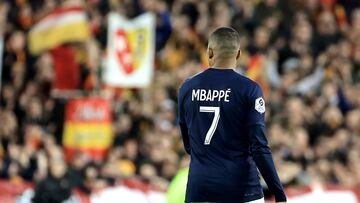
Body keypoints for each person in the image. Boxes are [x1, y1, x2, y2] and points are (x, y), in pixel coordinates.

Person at [178, 27, 287, 203]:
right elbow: (259, 147)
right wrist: (279, 194)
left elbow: (188, 143)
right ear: (238, 55)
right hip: (242, 188)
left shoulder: (187, 87)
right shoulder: (249, 89)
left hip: (200, 188)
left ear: (210, 52)